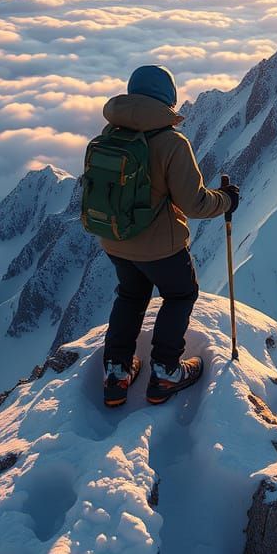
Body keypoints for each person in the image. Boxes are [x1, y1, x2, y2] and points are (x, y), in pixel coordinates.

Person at [93, 64, 239, 408]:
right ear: (168, 100)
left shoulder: (109, 134)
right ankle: (165, 372)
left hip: (114, 239)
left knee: (130, 295)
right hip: (160, 247)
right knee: (180, 294)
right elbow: (195, 203)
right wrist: (227, 200)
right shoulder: (172, 142)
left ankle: (116, 372)